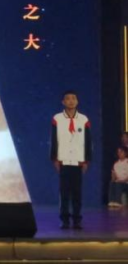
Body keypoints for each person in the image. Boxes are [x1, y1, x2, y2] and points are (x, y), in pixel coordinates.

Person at [51, 90, 92, 229]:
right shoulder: (57, 118)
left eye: (73, 98)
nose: (71, 101)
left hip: (78, 161)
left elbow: (88, 141)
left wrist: (86, 160)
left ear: (77, 101)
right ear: (63, 102)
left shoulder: (84, 119)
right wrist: (54, 158)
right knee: (64, 192)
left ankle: (77, 219)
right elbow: (54, 140)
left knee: (77, 193)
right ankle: (64, 219)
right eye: (68, 99)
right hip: (63, 160)